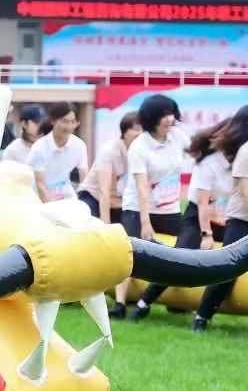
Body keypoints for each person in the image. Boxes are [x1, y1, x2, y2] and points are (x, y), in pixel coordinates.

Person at [130, 119, 233, 323]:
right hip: (198, 219)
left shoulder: (239, 160)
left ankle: (202, 315)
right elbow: (202, 203)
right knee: (178, 260)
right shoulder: (209, 163)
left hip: (225, 218)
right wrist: (206, 234)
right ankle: (143, 304)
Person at [119, 94, 187, 323]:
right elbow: (141, 188)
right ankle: (120, 303)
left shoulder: (177, 137)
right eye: (163, 115)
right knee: (130, 252)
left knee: (185, 250)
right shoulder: (139, 147)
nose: (169, 119)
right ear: (151, 119)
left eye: (171, 113)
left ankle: (170, 301)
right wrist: (145, 223)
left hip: (169, 208)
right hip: (137, 208)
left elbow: (197, 151)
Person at [77, 111, 141, 319]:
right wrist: (106, 227)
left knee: (128, 244)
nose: (140, 133)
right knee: (95, 239)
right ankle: (79, 290)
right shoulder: (110, 151)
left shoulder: (142, 152)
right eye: (136, 129)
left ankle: (121, 302)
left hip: (121, 202)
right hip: (94, 197)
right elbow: (104, 193)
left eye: (143, 129)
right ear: (125, 131)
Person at [194, 105, 248, 333]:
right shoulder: (246, 151)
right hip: (242, 220)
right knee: (228, 270)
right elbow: (246, 191)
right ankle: (201, 317)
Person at [25, 103, 88, 202]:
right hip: (38, 195)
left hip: (65, 193)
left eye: (73, 122)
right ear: (53, 121)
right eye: (65, 121)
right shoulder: (39, 148)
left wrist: (84, 200)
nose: (69, 126)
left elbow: (84, 176)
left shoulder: (79, 145)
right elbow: (40, 184)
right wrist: (50, 205)